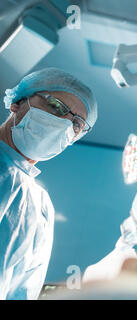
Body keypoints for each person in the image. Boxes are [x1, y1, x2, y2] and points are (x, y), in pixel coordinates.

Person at [0, 68, 97, 299]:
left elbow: (22, 292)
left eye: (76, 124)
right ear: (17, 103)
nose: (64, 123)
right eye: (56, 106)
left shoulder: (40, 206)